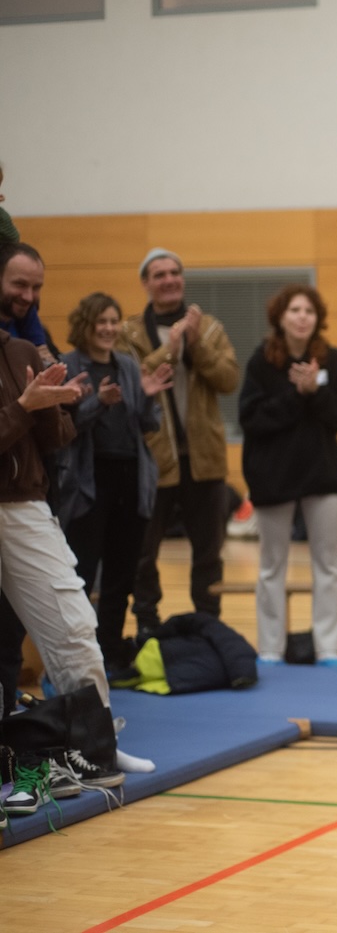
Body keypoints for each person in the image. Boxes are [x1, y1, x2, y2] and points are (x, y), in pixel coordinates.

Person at [0, 324, 136, 796]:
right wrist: (22, 408)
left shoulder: (18, 350)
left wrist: (55, 403)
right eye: (21, 283)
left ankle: (94, 747)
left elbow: (57, 438)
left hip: (24, 504)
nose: (27, 293)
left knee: (74, 624)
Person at [238, 284, 337, 667]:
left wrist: (316, 392)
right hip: (273, 477)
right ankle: (270, 649)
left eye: (309, 311)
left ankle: (328, 648)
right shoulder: (262, 362)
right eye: (294, 310)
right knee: (271, 565)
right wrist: (297, 394)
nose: (302, 317)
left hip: (322, 476)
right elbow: (251, 418)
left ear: (317, 318)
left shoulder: (333, 360)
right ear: (280, 316)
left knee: (327, 563)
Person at [57, 293, 174, 678]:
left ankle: (111, 653)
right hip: (90, 484)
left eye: (113, 321)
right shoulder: (69, 366)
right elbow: (64, 430)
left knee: (122, 576)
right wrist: (99, 403)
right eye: (100, 322)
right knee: (84, 574)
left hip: (129, 479)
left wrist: (148, 399)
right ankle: (79, 659)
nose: (108, 329)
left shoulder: (127, 364)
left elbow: (147, 423)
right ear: (86, 325)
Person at [124, 248, 239, 631]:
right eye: (159, 274)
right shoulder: (129, 333)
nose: (169, 279)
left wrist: (195, 343)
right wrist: (170, 350)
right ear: (146, 283)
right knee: (143, 552)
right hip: (153, 461)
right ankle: (147, 624)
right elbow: (131, 382)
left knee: (208, 553)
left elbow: (228, 380)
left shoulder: (209, 329)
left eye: (174, 272)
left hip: (204, 459)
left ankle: (209, 625)